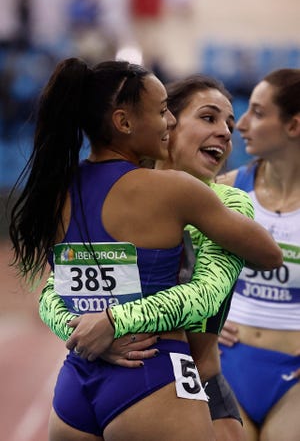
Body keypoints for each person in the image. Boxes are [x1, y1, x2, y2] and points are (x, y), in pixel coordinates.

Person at [9, 58, 282, 441]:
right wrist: (109, 325)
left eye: (229, 126)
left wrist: (93, 330)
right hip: (156, 375)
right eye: (163, 111)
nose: (167, 121)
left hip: (77, 381)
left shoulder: (57, 188)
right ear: (124, 123)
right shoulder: (177, 192)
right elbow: (267, 256)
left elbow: (59, 292)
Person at [218, 68, 300, 441]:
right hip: (228, 365)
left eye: (258, 112)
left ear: (294, 125)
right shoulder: (227, 190)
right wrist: (197, 322)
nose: (242, 123)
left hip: (293, 377)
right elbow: (170, 262)